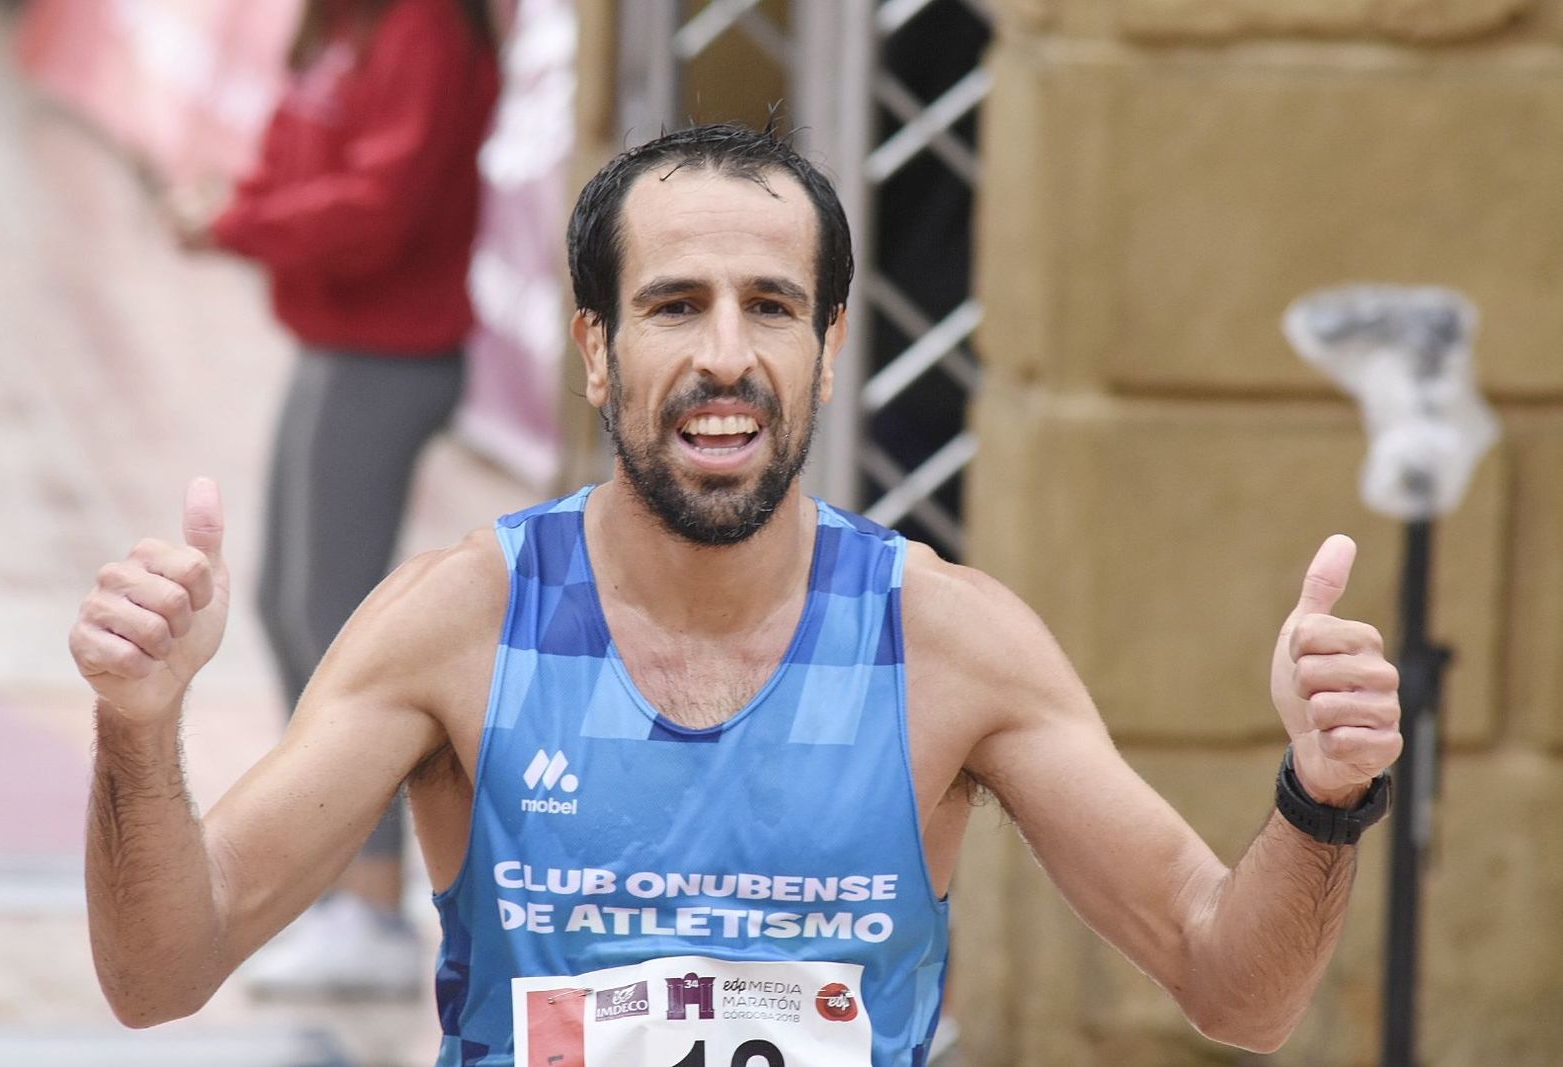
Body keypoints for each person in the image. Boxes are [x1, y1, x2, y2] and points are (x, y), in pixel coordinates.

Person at [71, 123, 1401, 1065]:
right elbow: (160, 972)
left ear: (827, 348)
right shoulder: (457, 623)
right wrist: (139, 726)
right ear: (596, 348)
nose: (726, 355)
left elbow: (1236, 989)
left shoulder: (949, 639)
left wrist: (1322, 794)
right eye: (674, 305)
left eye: (770, 305)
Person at [157, 0, 499, 998]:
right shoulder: (350, 24)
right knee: (283, 605)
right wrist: (233, 202)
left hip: (389, 354)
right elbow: (299, 154)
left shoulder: (425, 27)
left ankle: (375, 905)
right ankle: (341, 884)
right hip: (337, 344)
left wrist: (239, 223)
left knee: (339, 622)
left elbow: (381, 206)